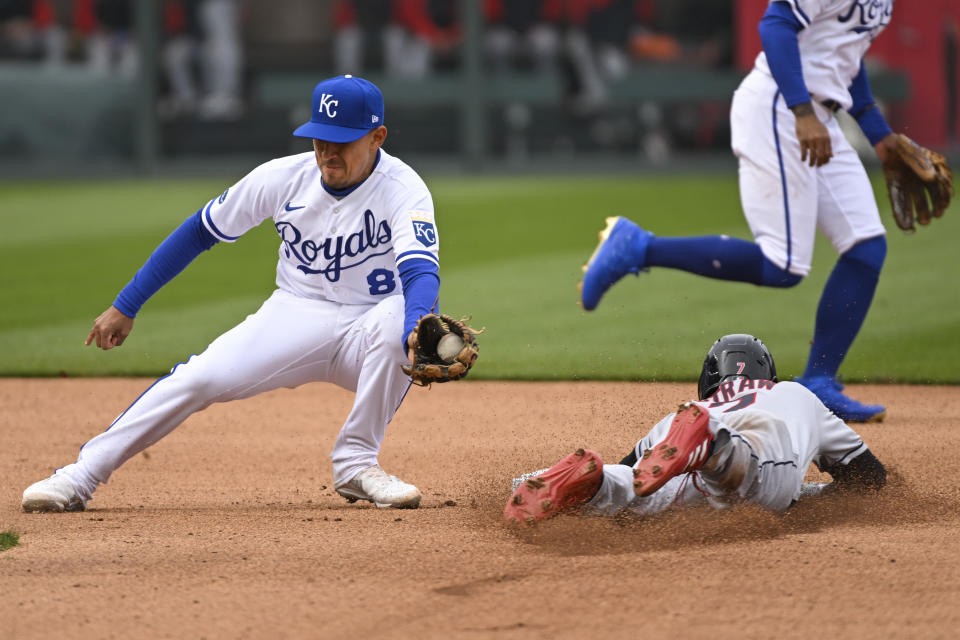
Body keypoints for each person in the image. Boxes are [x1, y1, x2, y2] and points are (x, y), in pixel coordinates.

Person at [22, 75, 443, 513]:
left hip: (371, 326)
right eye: (320, 138)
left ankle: (356, 463)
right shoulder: (283, 177)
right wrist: (126, 304)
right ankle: (80, 474)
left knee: (404, 319)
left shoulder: (403, 188)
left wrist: (417, 323)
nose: (327, 151)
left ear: (377, 137)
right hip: (297, 313)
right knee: (200, 378)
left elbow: (419, 270)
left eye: (343, 140)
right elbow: (198, 232)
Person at [579, 0, 898, 422]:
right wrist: (801, 110)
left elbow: (844, 59)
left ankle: (819, 382)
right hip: (782, 108)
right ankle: (638, 247)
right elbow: (776, 24)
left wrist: (880, 135)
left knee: (866, 247)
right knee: (782, 265)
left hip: (819, 114)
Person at [504, 334, 887, 526]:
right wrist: (809, 493)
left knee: (631, 492)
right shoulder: (793, 394)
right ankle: (713, 446)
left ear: (708, 378)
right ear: (766, 374)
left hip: (693, 482)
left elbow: (641, 475)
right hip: (755, 451)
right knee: (750, 468)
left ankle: (557, 480)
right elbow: (868, 478)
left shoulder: (681, 416)